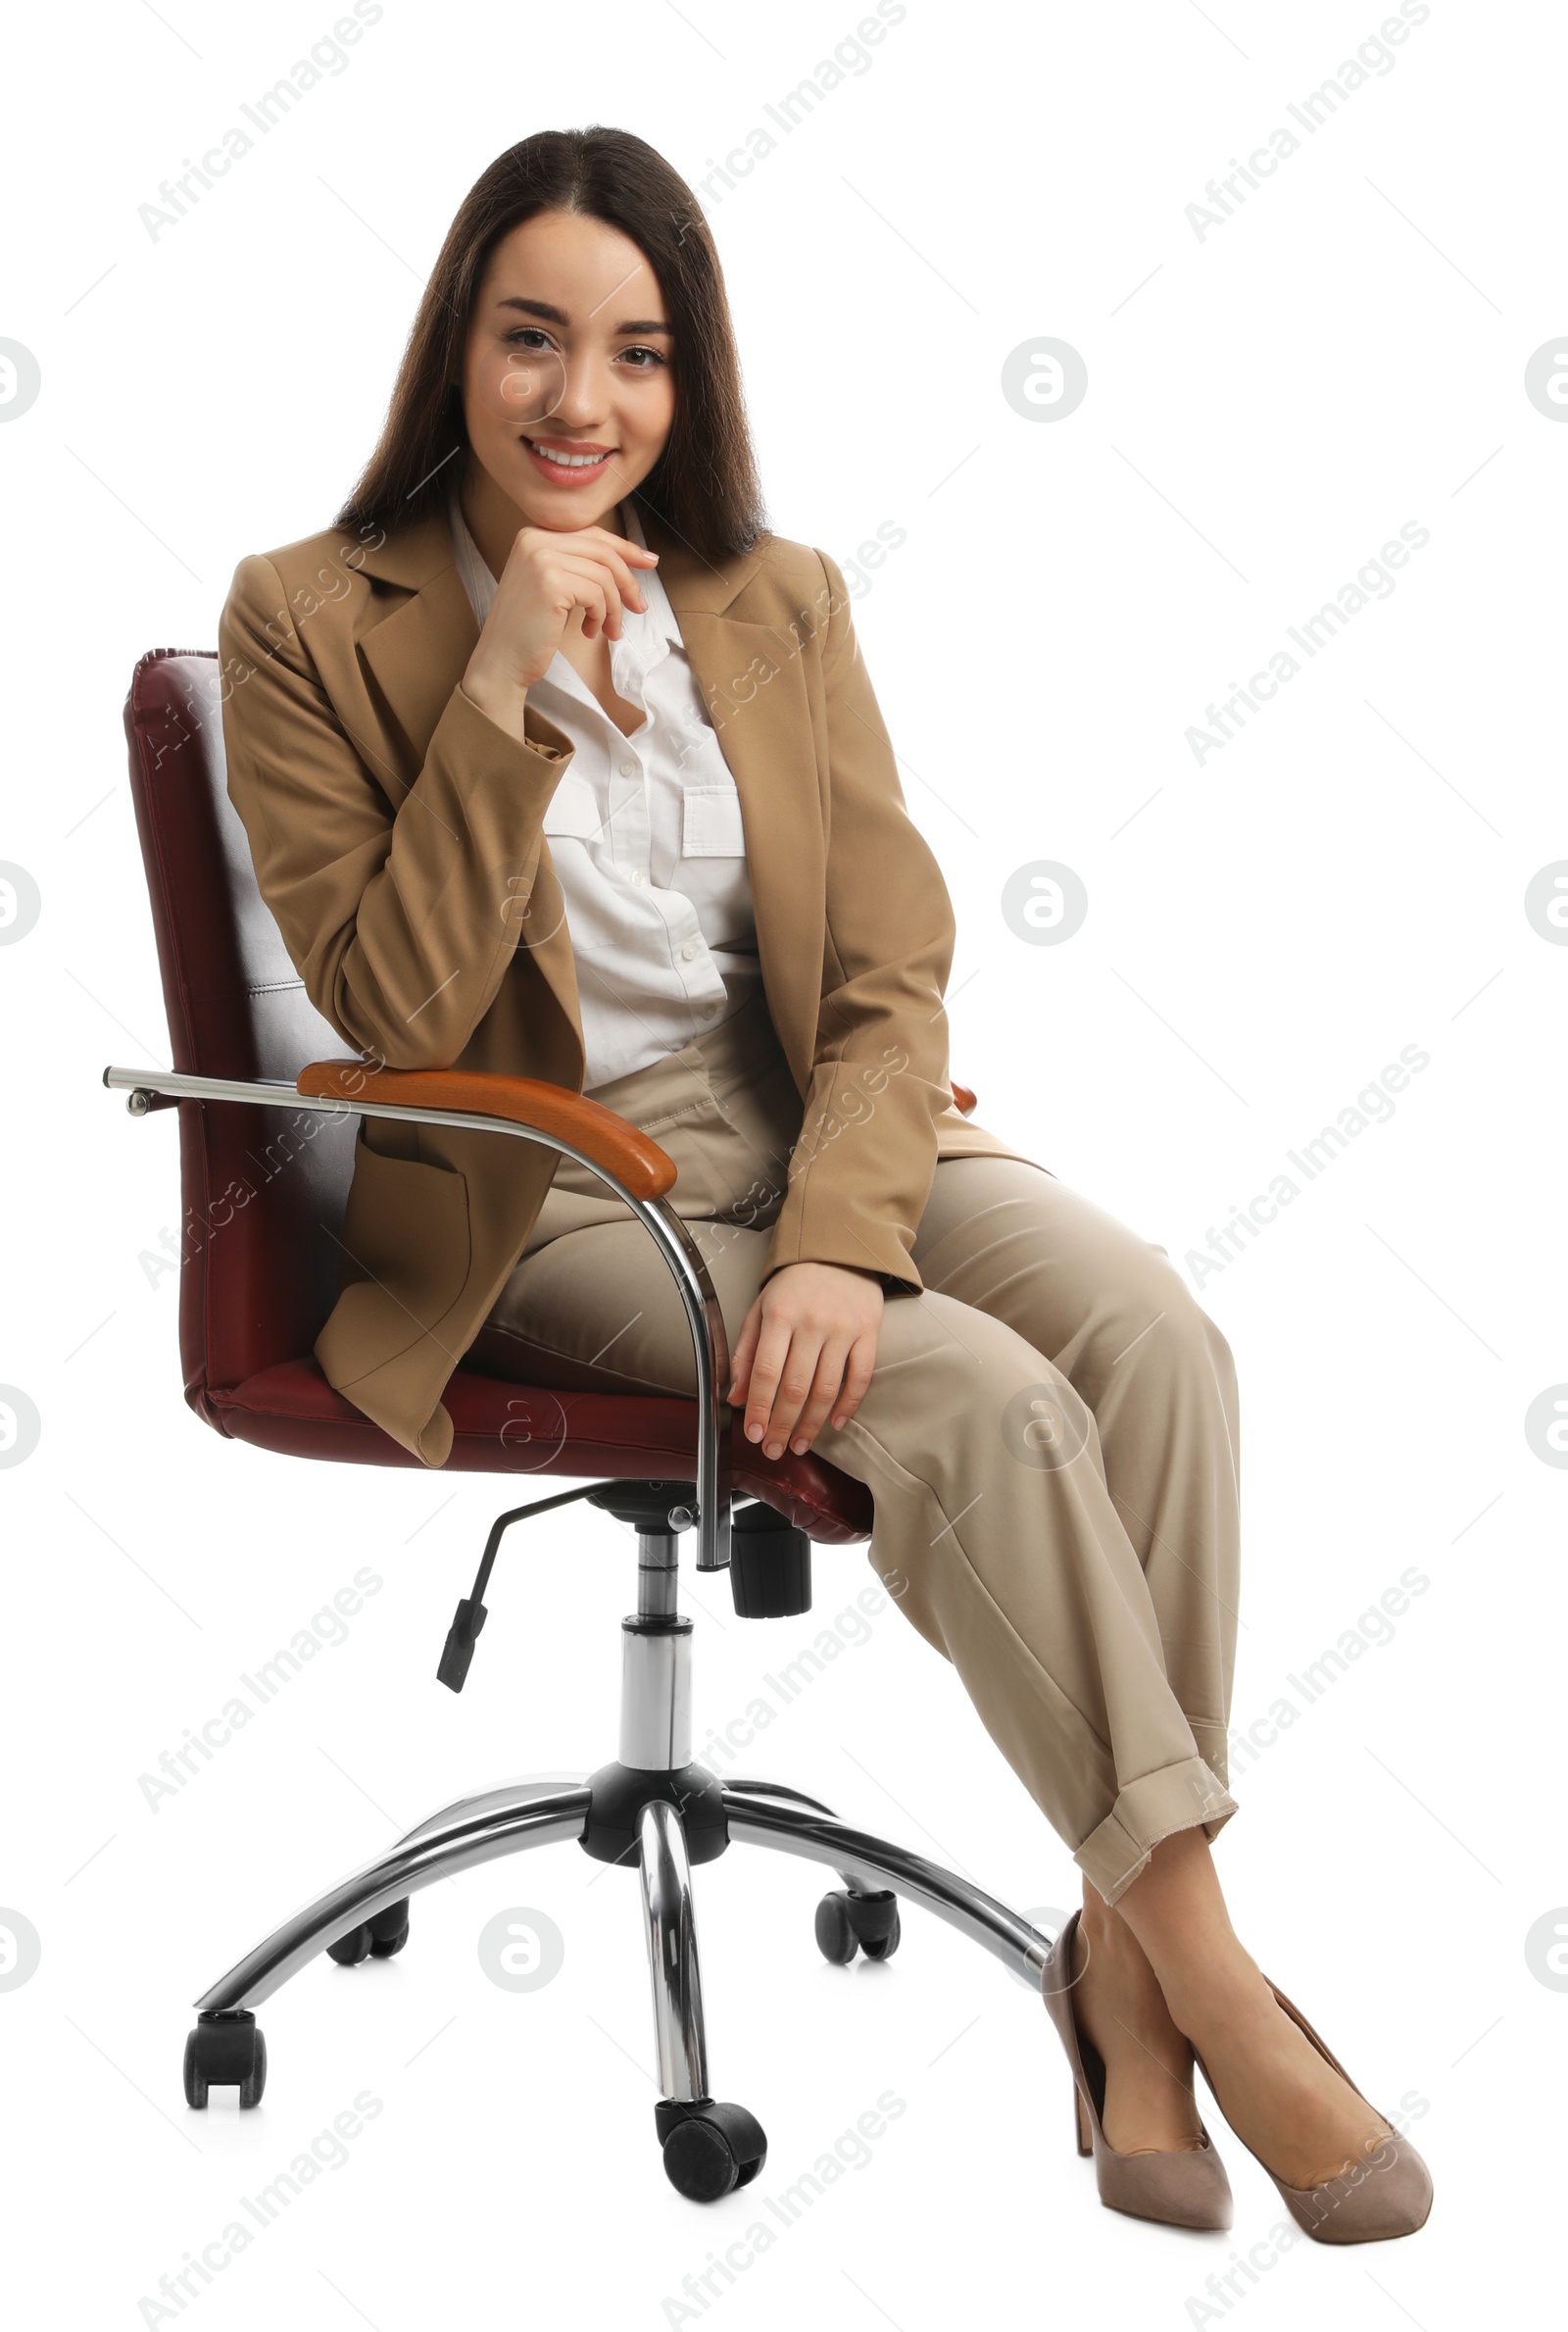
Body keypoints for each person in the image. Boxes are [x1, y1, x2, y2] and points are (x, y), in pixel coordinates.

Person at [217, 127, 1431, 2243]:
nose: (580, 403)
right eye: (530, 339)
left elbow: (885, 963)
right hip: (538, 1187)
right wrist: (503, 674)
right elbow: (390, 999)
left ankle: (1117, 1970)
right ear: (457, 348)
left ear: (690, 384)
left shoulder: (773, 604)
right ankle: (1206, 1972)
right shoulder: (312, 616)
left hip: (804, 1145)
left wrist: (846, 1240)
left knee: (1148, 1325)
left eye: (637, 355)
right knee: (980, 1397)